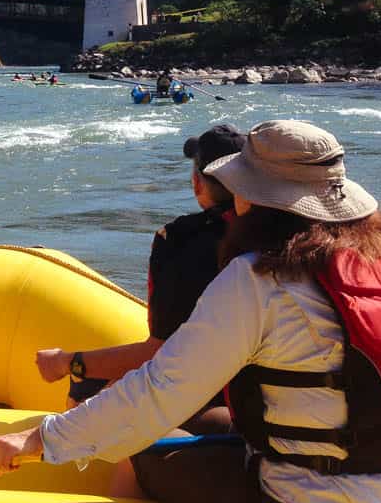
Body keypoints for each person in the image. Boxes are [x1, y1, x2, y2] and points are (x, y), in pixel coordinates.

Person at [0, 120, 381, 503]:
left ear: (253, 197)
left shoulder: (261, 279)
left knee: (138, 449)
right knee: (215, 427)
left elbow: (158, 391)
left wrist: (40, 439)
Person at [35, 124, 244, 418]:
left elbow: (160, 352)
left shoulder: (179, 241)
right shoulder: (285, 236)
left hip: (221, 401)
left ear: (197, 183)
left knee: (93, 390)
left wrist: (68, 362)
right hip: (260, 394)